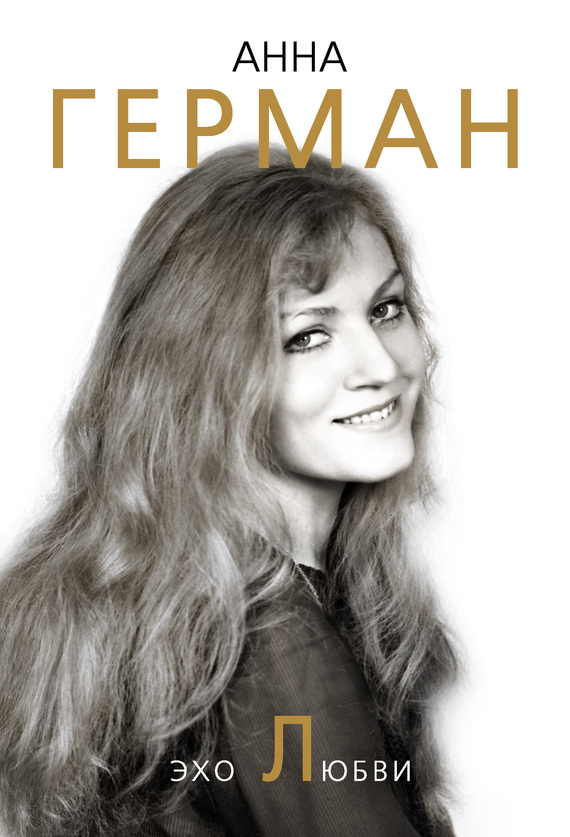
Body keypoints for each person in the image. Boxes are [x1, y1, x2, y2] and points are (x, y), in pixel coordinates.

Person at [0, 145, 458, 837]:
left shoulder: (187, 611)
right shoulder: (280, 643)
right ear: (210, 379)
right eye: (308, 336)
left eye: (386, 308)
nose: (380, 365)